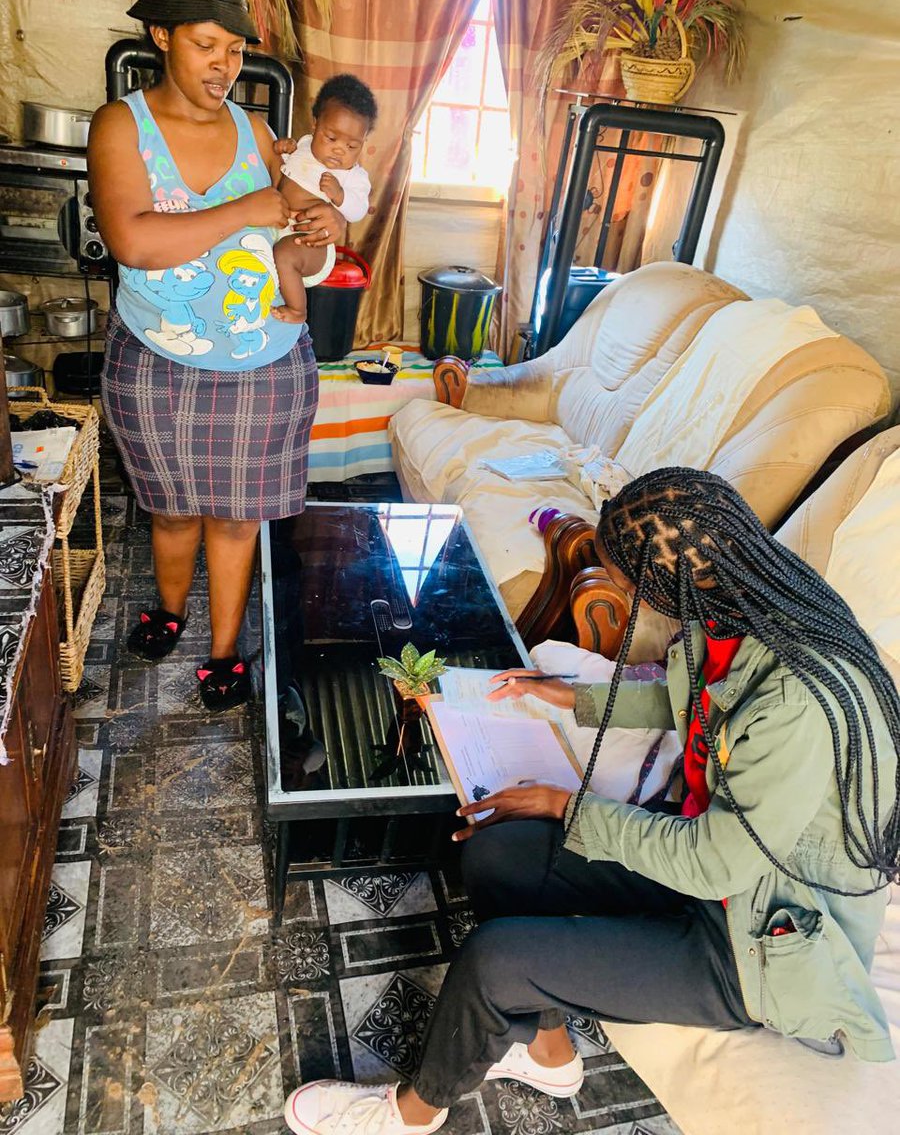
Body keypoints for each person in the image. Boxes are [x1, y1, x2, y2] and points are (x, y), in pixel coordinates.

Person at [283, 467, 900, 1135]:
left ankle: (411, 1113)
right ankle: (549, 1052)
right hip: (717, 873)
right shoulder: (736, 611)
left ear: (674, 580)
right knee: (497, 853)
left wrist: (565, 805)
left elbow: (717, 867)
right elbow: (688, 702)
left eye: (635, 585)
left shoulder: (796, 697)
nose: (634, 597)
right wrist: (567, 695)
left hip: (758, 942)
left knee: (496, 962)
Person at [89, 0, 347, 711]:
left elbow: (283, 230)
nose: (223, 65)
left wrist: (315, 224)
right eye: (207, 44)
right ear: (162, 36)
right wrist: (249, 209)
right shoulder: (119, 127)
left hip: (261, 360)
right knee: (170, 509)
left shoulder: (259, 133)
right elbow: (134, 241)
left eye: (234, 49)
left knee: (235, 523)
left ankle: (226, 648)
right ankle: (169, 611)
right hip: (158, 358)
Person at [271, 74, 376, 322]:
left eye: (352, 146)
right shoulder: (305, 146)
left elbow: (358, 210)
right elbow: (285, 169)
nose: (339, 150)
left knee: (285, 256)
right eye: (331, 138)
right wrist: (281, 148)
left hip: (310, 242)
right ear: (315, 124)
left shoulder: (353, 176)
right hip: (281, 227)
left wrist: (340, 196)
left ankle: (298, 310)